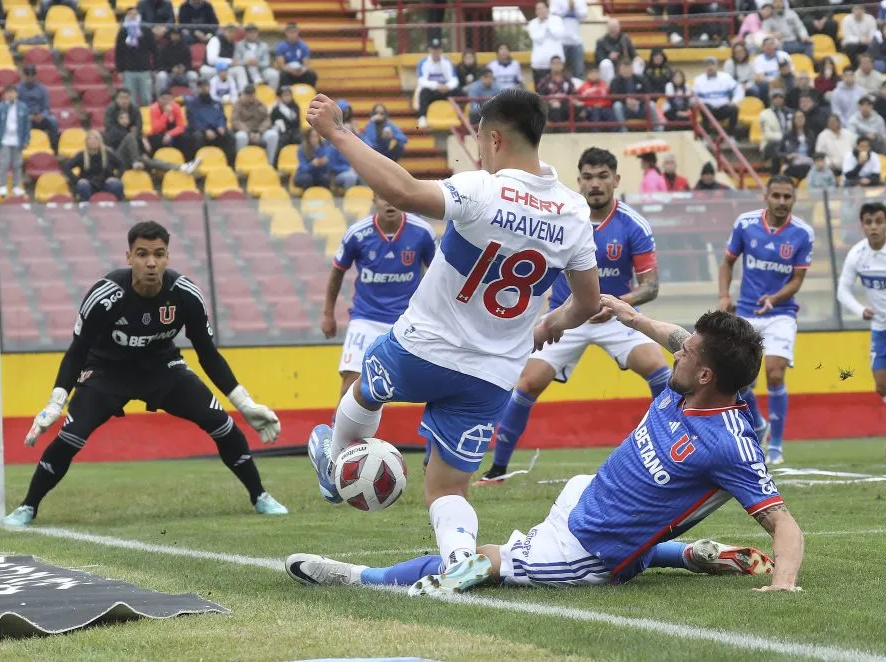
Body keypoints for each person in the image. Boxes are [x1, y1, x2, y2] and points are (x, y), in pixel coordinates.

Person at [287, 306, 804, 595]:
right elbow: (676, 334)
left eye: (689, 352)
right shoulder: (685, 384)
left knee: (479, 564)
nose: (679, 348)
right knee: (625, 539)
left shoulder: (730, 443)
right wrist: (630, 316)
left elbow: (783, 523)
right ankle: (689, 554)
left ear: (708, 374)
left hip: (586, 550)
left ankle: (356, 577)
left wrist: (783, 584)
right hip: (586, 498)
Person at [303, 89, 600, 582]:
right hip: (491, 375)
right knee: (447, 489)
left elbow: (401, 191)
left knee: (365, 387)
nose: (479, 150)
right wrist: (552, 323)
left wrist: (337, 132)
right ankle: (461, 562)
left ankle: (338, 471)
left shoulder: (483, 189)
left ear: (495, 137)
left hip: (423, 349)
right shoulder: (572, 212)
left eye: (480, 140)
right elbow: (587, 302)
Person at [2, 221, 288, 526]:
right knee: (71, 437)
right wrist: (55, 403)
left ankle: (260, 496)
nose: (150, 262)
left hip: (163, 369)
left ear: (167, 257)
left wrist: (245, 404)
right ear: (129, 258)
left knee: (222, 424)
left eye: (158, 254)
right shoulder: (105, 295)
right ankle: (28, 507)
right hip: (105, 373)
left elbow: (208, 354)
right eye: (142, 254)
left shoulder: (185, 295)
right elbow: (76, 351)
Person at [478, 148, 668, 485]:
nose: (595, 184)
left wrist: (616, 304)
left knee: (660, 371)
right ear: (579, 180)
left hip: (617, 317)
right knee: (526, 383)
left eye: (603, 176)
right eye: (589, 177)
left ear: (616, 180)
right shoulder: (563, 219)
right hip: (565, 317)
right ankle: (497, 470)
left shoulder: (633, 224)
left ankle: (670, 455)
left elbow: (650, 286)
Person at [719, 175, 815, 465]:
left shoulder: (802, 233)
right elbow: (727, 262)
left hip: (781, 314)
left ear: (794, 199)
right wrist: (724, 296)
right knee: (742, 381)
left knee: (774, 372)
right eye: (777, 196)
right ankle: (759, 424)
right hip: (747, 313)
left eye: (787, 197)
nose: (782, 202)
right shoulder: (745, 224)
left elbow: (797, 280)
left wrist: (775, 297)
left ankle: (776, 447)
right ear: (766, 196)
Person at [322, 195, 436, 398]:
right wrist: (328, 314)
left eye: (392, 195)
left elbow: (439, 273)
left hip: (408, 320)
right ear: (373, 199)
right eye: (383, 196)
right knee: (352, 380)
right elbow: (337, 271)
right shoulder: (357, 234)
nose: (389, 202)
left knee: (431, 383)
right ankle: (338, 429)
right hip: (366, 318)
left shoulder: (422, 232)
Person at [836, 202, 886, 402]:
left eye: (879, 222)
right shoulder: (856, 255)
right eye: (869, 222)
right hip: (880, 327)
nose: (874, 226)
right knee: (882, 386)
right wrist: (860, 310)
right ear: (862, 226)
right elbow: (842, 290)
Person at [63, 129, 126, 201]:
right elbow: (66, 167)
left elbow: (121, 165)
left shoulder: (108, 153)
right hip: (89, 185)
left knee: (116, 184)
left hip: (106, 183)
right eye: (90, 139)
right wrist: (77, 180)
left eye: (95, 139)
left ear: (100, 141)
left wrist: (116, 177)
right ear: (86, 142)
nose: (93, 141)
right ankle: (85, 210)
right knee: (82, 185)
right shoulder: (81, 155)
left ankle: (118, 208)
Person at [0, 84, 29, 198]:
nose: (11, 95)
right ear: (4, 95)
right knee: (4, 163)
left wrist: (26, 139)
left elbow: (27, 125)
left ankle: (16, 186)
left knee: (17, 164)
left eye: (13, 92)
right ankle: (2, 186)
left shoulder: (22, 107)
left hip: (17, 140)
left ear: (16, 94)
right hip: (4, 140)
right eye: (8, 93)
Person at [115, 7, 156, 108]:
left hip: (144, 69)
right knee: (131, 100)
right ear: (127, 16)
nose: (133, 16)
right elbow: (119, 51)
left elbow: (154, 49)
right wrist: (120, 69)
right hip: (129, 70)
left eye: (135, 14)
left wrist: (155, 67)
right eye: (130, 14)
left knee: (146, 98)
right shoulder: (123, 32)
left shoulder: (146, 30)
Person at [414, 39, 458, 128]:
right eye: (433, 49)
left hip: (446, 90)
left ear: (441, 50)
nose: (435, 52)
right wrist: (436, 86)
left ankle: (460, 116)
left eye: (437, 49)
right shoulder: (423, 62)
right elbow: (422, 81)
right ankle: (422, 117)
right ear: (429, 50)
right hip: (431, 91)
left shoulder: (447, 62)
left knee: (459, 92)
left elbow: (454, 79)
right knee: (424, 92)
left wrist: (447, 86)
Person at [693, 56, 743, 134]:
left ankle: (731, 135)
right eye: (707, 65)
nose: (710, 67)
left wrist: (734, 101)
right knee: (704, 107)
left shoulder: (725, 77)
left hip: (723, 108)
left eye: (712, 64)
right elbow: (694, 96)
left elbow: (739, 89)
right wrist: (700, 103)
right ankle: (706, 136)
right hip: (708, 110)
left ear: (716, 66)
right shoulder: (698, 80)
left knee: (734, 109)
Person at [184, 88, 235, 163]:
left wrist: (221, 126)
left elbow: (221, 117)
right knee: (197, 137)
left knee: (229, 136)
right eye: (202, 86)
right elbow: (193, 121)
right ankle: (198, 163)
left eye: (206, 86)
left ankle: (228, 163)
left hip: (215, 129)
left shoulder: (216, 103)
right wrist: (205, 130)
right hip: (201, 130)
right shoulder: (192, 104)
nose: (205, 89)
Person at [609, 58, 659, 132]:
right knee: (617, 106)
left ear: (632, 69)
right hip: (625, 108)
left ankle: (657, 129)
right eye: (624, 68)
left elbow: (649, 93)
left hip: (640, 107)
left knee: (651, 104)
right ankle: (623, 130)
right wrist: (626, 101)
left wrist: (639, 102)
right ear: (619, 70)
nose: (626, 71)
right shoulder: (615, 81)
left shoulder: (641, 79)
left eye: (628, 68)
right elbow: (613, 97)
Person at [233, 84, 279, 163]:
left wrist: (259, 132)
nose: (250, 97)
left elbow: (267, 120)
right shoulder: (237, 105)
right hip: (245, 132)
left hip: (259, 131)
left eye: (251, 94)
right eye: (247, 94)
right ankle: (239, 163)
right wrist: (249, 132)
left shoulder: (260, 104)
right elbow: (236, 121)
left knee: (273, 135)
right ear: (243, 94)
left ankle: (270, 163)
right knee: (241, 137)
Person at [18, 64, 58, 150]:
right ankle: (23, 147)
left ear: (36, 75)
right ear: (24, 75)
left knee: (53, 121)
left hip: (40, 117)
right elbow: (18, 107)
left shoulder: (43, 89)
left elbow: (46, 108)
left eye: (32, 75)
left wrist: (42, 115)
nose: (30, 77)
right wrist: (28, 116)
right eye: (28, 75)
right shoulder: (19, 89)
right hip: (26, 117)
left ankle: (53, 148)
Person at [526, 1, 565, 88]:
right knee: (540, 91)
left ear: (548, 9)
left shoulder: (557, 20)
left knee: (558, 90)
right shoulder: (532, 23)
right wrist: (544, 24)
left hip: (556, 63)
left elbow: (558, 35)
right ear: (536, 11)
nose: (541, 11)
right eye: (538, 9)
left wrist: (547, 22)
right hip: (539, 64)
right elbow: (538, 38)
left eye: (543, 8)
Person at [232, 24, 279, 90]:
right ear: (245, 33)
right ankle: (255, 78)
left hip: (261, 70)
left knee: (274, 74)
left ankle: (271, 95)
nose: (252, 34)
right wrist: (246, 63)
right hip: (245, 71)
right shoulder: (239, 45)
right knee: (249, 54)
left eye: (254, 32)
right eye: (250, 32)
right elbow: (236, 62)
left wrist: (257, 63)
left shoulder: (264, 45)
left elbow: (267, 63)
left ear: (257, 33)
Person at [146, 90, 191, 158]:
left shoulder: (176, 107)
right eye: (163, 99)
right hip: (159, 134)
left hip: (172, 133)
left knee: (186, 137)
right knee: (156, 139)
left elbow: (181, 126)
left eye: (168, 99)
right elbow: (156, 129)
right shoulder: (154, 108)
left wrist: (170, 134)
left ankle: (186, 160)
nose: (166, 101)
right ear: (159, 99)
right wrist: (166, 114)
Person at [155, 29, 199, 95]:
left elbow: (189, 65)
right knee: (161, 76)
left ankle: (196, 98)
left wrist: (184, 68)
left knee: (193, 75)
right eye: (173, 34)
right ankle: (161, 98)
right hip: (169, 75)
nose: (175, 36)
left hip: (183, 75)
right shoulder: (164, 49)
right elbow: (160, 66)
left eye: (177, 34)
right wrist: (171, 69)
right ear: (170, 35)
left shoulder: (185, 48)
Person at [595, 18, 638, 84]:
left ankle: (636, 85)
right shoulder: (601, 41)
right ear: (607, 28)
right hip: (610, 67)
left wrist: (637, 58)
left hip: (624, 64)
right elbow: (598, 59)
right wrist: (609, 57)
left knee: (638, 62)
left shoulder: (626, 39)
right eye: (611, 27)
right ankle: (610, 87)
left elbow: (633, 54)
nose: (613, 29)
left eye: (615, 27)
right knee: (605, 63)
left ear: (619, 28)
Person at [759, 88, 792, 173]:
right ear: (771, 99)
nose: (778, 99)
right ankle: (775, 174)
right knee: (776, 147)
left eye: (780, 97)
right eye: (775, 97)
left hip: (788, 143)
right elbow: (768, 135)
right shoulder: (764, 114)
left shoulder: (790, 113)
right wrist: (784, 137)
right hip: (771, 144)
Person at [275, 23, 317, 88]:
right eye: (290, 32)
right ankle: (285, 95)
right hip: (288, 71)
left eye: (294, 32)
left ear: (298, 33)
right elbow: (282, 66)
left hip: (300, 71)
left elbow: (306, 64)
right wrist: (291, 70)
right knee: (282, 75)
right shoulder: (281, 47)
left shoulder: (303, 46)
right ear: (286, 33)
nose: (292, 35)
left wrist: (302, 70)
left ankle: (310, 93)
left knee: (312, 75)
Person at [537, 56, 577, 125]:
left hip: (565, 104)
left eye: (559, 63)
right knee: (553, 109)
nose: (557, 65)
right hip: (550, 105)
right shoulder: (544, 80)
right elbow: (540, 96)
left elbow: (573, 94)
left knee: (578, 108)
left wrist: (567, 99)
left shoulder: (568, 80)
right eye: (554, 63)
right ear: (551, 65)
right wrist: (550, 101)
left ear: (562, 65)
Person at [779, 108, 816, 179]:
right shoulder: (787, 135)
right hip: (793, 164)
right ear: (793, 120)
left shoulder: (810, 134)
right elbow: (778, 152)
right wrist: (788, 155)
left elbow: (814, 152)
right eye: (797, 117)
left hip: (808, 163)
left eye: (802, 117)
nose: (800, 119)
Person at [753, 37, 791, 103]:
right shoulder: (759, 59)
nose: (769, 47)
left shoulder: (784, 55)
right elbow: (761, 77)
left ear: (775, 45)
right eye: (766, 45)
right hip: (769, 83)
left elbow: (790, 71)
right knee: (763, 85)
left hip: (784, 79)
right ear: (762, 47)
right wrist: (774, 81)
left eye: (771, 44)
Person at [270, 85, 301, 150]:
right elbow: (272, 121)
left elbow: (295, 120)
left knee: (301, 139)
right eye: (285, 95)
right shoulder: (276, 108)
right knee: (280, 143)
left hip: (294, 131)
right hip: (282, 133)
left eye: (289, 95)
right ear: (280, 97)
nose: (287, 97)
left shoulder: (295, 106)